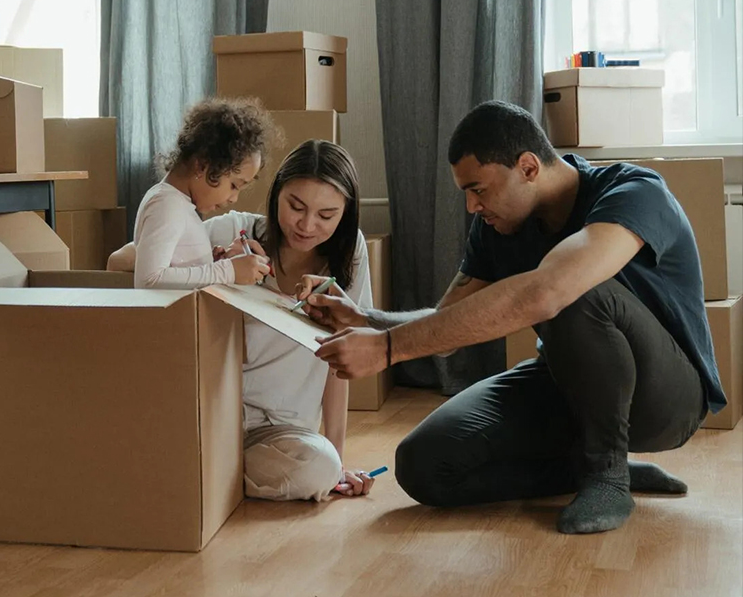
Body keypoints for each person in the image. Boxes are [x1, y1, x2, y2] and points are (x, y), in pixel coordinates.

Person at [307, 100, 723, 534]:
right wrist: (368, 321)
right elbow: (448, 324)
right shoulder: (496, 227)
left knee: (573, 289)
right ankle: (585, 467)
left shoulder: (635, 192)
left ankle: (607, 475)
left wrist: (388, 350)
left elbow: (550, 292)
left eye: (479, 190)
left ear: (527, 167)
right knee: (424, 465)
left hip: (667, 400)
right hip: (568, 385)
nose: (471, 207)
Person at [112, 138, 378, 501]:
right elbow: (121, 261)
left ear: (345, 214)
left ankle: (204, 474)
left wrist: (338, 459)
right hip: (213, 415)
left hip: (282, 432)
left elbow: (340, 361)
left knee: (321, 468)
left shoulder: (351, 255)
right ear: (276, 194)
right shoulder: (234, 230)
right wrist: (217, 265)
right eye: (295, 206)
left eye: (326, 216)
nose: (306, 225)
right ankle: (207, 471)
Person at [131, 97, 276, 289]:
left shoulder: (179, 204)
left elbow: (177, 271)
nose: (234, 198)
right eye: (234, 185)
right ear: (202, 165)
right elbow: (149, 280)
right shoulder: (167, 204)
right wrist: (227, 271)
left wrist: (211, 263)